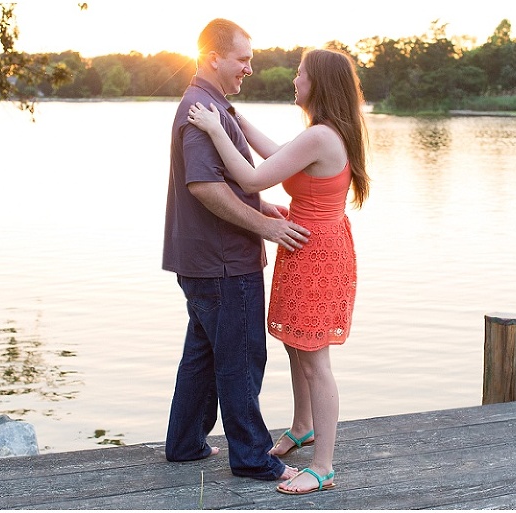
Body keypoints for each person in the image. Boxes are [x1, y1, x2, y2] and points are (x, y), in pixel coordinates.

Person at [187, 47, 370, 495]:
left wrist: (215, 128)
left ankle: (323, 466)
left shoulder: (322, 136)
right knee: (296, 344)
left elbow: (254, 179)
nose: (294, 80)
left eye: (300, 74)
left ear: (317, 84)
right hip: (307, 244)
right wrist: (236, 121)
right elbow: (277, 156)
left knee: (314, 357)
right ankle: (303, 426)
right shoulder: (320, 135)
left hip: (316, 252)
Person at [162, 18, 310, 482]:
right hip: (224, 263)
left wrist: (261, 203)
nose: (250, 67)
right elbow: (205, 187)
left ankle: (185, 443)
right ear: (213, 59)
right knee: (242, 358)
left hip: (204, 259)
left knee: (204, 353)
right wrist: (264, 225)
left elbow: (221, 184)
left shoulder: (210, 105)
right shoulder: (200, 110)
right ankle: (251, 456)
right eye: (242, 59)